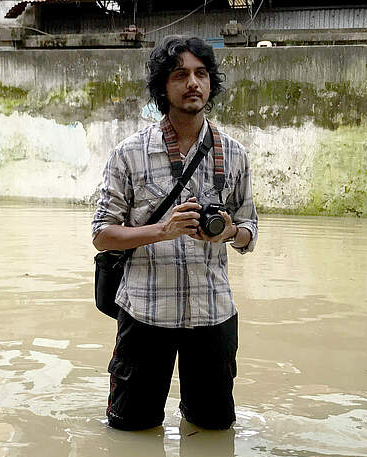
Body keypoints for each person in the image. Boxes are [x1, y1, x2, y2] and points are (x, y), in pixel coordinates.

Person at [91, 35, 258, 431]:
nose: (193, 83)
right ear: (163, 87)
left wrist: (230, 231)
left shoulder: (233, 154)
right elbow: (102, 234)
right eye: (180, 74)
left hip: (212, 314)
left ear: (211, 83)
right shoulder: (129, 153)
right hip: (146, 312)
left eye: (201, 74)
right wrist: (161, 231)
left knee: (214, 429)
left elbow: (250, 231)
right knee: (131, 429)